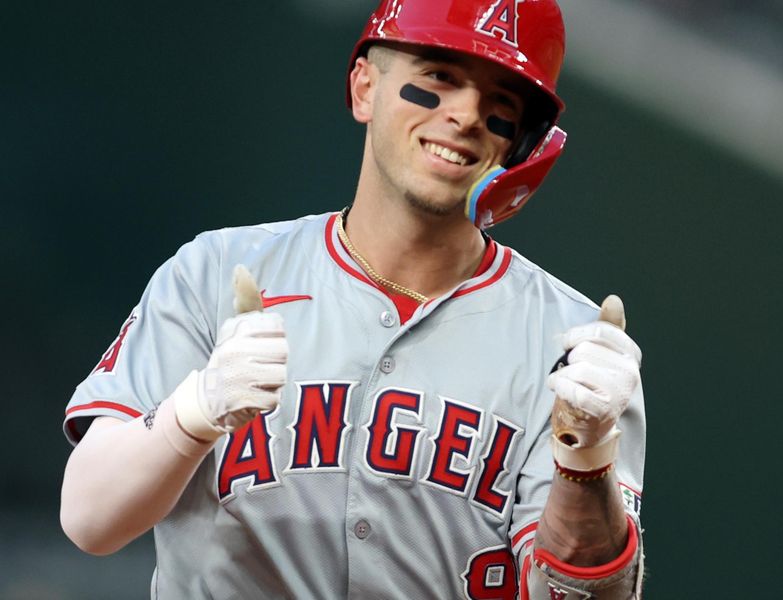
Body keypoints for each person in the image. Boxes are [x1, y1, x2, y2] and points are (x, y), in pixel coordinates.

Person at [60, 1, 646, 598]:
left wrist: (586, 458)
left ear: (522, 144)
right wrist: (194, 411)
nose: (467, 115)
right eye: (439, 77)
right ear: (365, 86)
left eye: (502, 103)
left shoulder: (575, 349)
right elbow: (89, 519)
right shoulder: (215, 273)